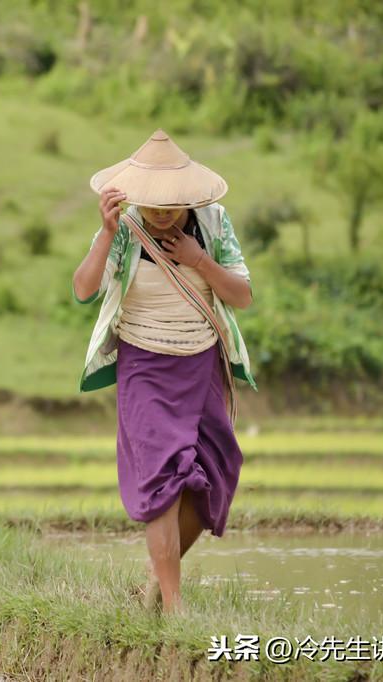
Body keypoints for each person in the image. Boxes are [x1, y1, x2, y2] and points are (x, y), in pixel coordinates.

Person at [71, 129, 258, 615]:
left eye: (169, 204)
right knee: (163, 480)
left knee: (217, 472)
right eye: (152, 204)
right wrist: (108, 233)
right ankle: (174, 609)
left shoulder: (214, 224)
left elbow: (241, 295)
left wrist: (199, 261)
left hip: (201, 364)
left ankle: (157, 583)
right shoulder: (125, 228)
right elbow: (84, 289)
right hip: (145, 368)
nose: (160, 213)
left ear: (186, 197)